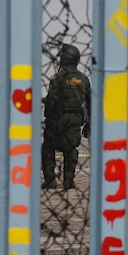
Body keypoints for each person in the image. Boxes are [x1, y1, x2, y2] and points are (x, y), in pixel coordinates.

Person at [40, 44, 91, 190]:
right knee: (71, 149)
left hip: (58, 117)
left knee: (48, 148)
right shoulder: (84, 79)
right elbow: (90, 102)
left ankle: (50, 180)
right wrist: (89, 123)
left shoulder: (57, 78)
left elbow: (51, 100)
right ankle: (69, 180)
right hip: (75, 118)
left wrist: (48, 118)